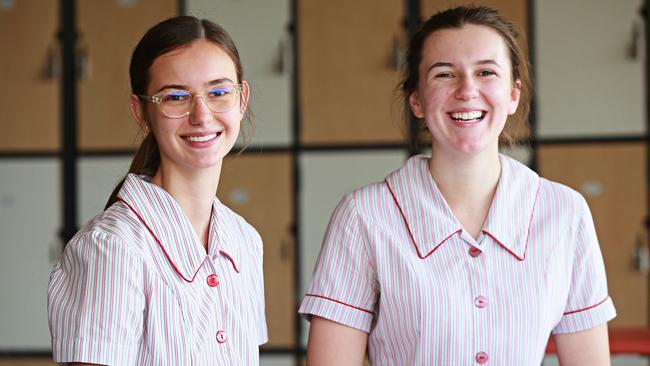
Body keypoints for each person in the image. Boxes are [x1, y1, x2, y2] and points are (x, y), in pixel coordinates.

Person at [299, 6, 616, 365]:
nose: (467, 90)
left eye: (486, 72)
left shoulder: (564, 212)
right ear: (416, 99)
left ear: (513, 94)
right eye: (445, 75)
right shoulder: (364, 216)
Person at [48, 16, 267, 365]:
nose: (201, 115)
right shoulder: (113, 248)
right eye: (176, 97)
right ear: (141, 111)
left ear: (242, 99)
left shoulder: (244, 241)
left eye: (219, 92)